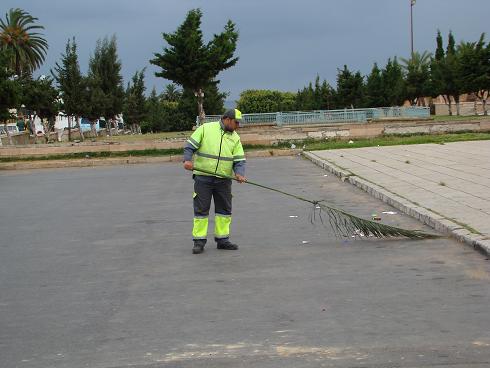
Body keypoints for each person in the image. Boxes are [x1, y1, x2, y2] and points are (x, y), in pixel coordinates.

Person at [183, 109, 246, 254]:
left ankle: (222, 240)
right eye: (236, 122)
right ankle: (199, 242)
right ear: (227, 119)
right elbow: (189, 146)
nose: (238, 125)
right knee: (201, 210)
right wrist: (187, 160)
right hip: (203, 178)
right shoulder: (206, 129)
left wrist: (239, 173)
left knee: (224, 211)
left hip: (224, 180)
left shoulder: (235, 138)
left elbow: (239, 160)